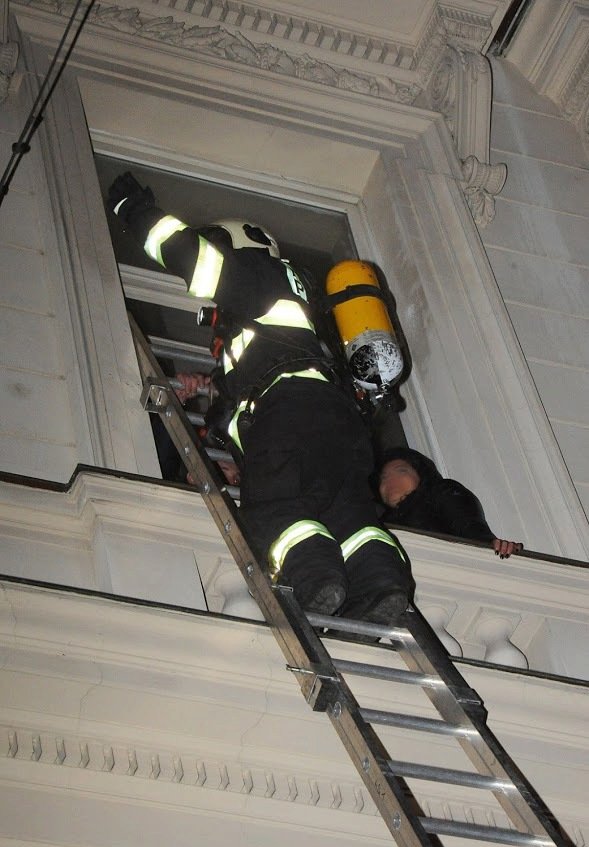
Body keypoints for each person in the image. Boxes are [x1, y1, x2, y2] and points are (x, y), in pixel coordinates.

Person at [108, 172, 412, 627]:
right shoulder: (304, 304)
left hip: (289, 409)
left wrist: (131, 209)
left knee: (275, 504)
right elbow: (256, 387)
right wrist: (214, 414)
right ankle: (381, 582)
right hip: (339, 423)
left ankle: (315, 579)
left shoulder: (255, 276)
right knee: (345, 510)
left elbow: (185, 252)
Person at [377, 447, 523, 559]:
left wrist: (496, 546)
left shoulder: (440, 492)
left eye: (401, 471)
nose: (391, 480)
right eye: (384, 477)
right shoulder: (378, 526)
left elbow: (470, 528)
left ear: (420, 474)